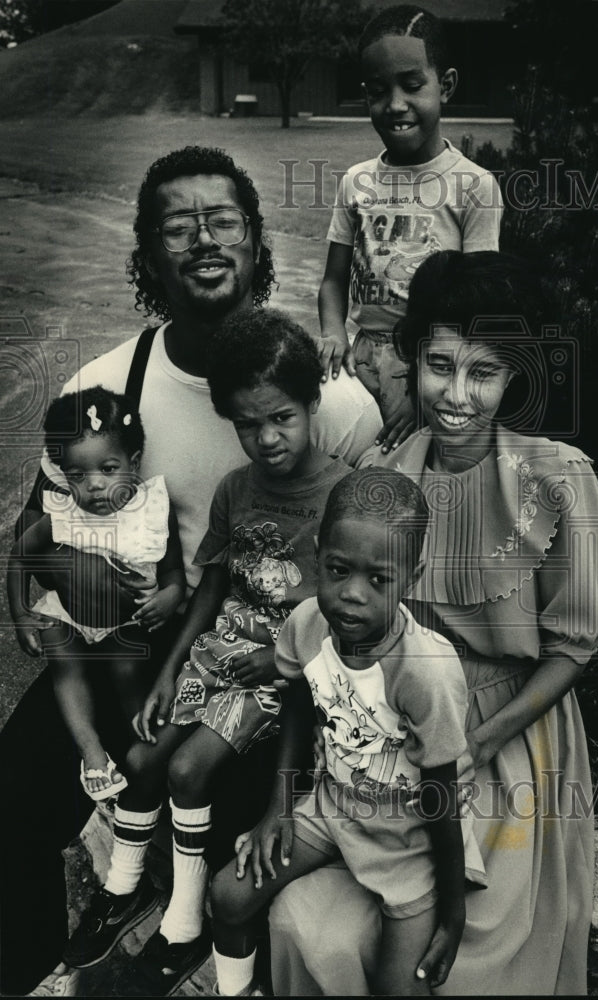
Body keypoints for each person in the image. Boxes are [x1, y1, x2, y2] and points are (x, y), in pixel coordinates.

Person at [1, 145, 380, 997]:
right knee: (14, 796)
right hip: (142, 643)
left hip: (277, 657)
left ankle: (183, 944)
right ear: (148, 255)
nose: (204, 240)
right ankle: (29, 970)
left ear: (253, 242)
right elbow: (37, 519)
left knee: (218, 819)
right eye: (178, 226)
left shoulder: (335, 398)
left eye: (223, 220)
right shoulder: (106, 384)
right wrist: (52, 593)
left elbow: (375, 561)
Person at [268, 251, 598, 996]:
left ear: (514, 375)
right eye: (439, 366)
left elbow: (574, 647)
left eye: (482, 373)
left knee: (464, 966)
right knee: (308, 925)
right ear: (412, 359)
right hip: (399, 731)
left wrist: (479, 743)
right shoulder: (392, 471)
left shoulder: (558, 479)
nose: (456, 395)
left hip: (516, 737)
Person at [62, 309, 352, 996]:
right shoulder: (237, 488)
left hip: (283, 672)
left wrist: (284, 661)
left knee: (189, 769)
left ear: (312, 403)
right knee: (140, 755)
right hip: (222, 651)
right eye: (248, 424)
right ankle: (125, 889)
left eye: (281, 417)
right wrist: (167, 674)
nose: (266, 437)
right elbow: (212, 584)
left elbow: (343, 618)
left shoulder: (341, 493)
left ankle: (185, 921)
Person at [210, 467, 487, 997]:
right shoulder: (310, 622)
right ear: (318, 553)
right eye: (338, 570)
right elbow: (297, 698)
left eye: (379, 580)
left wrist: (452, 912)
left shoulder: (426, 671)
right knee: (227, 897)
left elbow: (441, 794)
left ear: (415, 574)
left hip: (408, 836)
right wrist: (280, 807)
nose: (352, 596)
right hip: (333, 804)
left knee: (400, 986)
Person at [318, 3, 502, 452]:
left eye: (412, 86)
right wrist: (333, 334)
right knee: (345, 470)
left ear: (447, 86)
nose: (395, 104)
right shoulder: (356, 181)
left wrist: (426, 387)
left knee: (409, 477)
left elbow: (478, 305)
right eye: (379, 90)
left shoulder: (473, 186)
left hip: (428, 364)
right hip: (358, 359)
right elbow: (333, 280)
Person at [7, 386, 185, 800]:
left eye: (108, 469)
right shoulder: (61, 515)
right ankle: (92, 753)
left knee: (126, 672)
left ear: (133, 463)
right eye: (78, 476)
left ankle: (141, 745)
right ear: (64, 475)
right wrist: (19, 614)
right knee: (63, 661)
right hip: (69, 616)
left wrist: (171, 596)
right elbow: (18, 556)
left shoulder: (153, 511)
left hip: (124, 622)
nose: (95, 487)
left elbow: (173, 571)